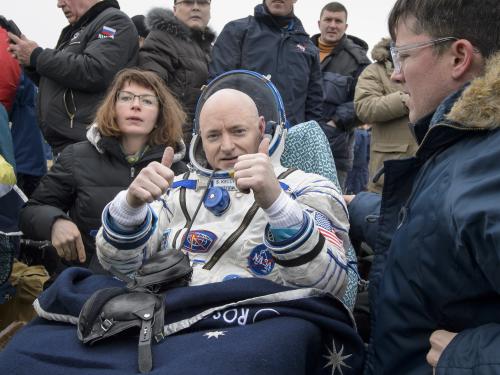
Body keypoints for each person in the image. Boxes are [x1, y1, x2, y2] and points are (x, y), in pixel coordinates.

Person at [346, 0, 500, 373]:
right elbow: (432, 230)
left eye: (403, 56)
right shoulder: (466, 147)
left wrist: (472, 358)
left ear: (459, 57)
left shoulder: (488, 166)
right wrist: (354, 205)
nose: (397, 76)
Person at [97, 72, 350, 296]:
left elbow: (330, 283)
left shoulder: (308, 188)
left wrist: (278, 206)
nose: (227, 146)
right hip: (174, 322)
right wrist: (129, 207)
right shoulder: (174, 190)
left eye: (238, 131)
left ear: (262, 128)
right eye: (214, 136)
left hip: (259, 325)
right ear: (200, 139)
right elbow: (121, 267)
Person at [19, 69, 187, 274]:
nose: (136, 105)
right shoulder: (77, 156)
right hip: (85, 283)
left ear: (161, 113)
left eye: (147, 101)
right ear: (113, 107)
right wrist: (54, 222)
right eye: (126, 98)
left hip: (153, 290)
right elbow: (30, 211)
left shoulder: (179, 171)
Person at [7, 0, 139, 155]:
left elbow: (96, 70)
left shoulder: (112, 24)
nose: (59, 4)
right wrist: (32, 63)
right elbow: (63, 79)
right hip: (70, 145)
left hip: (90, 145)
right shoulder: (76, 31)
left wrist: (37, 56)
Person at [208, 0, 323, 127]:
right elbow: (218, 87)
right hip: (244, 135)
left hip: (292, 138)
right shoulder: (237, 31)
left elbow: (314, 106)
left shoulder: (309, 48)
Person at [311, 2, 370, 191]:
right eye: (328, 19)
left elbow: (365, 101)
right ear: (319, 23)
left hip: (334, 151)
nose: (333, 25)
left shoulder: (358, 61)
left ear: (346, 26)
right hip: (295, 142)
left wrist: (335, 123)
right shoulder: (300, 52)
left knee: (328, 208)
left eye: (338, 21)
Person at [139, 1, 215, 148]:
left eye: (202, 2)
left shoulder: (212, 50)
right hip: (171, 144)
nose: (195, 7)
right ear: (174, 9)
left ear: (210, 10)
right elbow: (149, 90)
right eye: (187, 2)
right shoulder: (161, 38)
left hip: (203, 145)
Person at [354, 37, 417, 194]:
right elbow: (364, 107)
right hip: (390, 166)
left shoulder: (426, 63)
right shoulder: (374, 71)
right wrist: (405, 100)